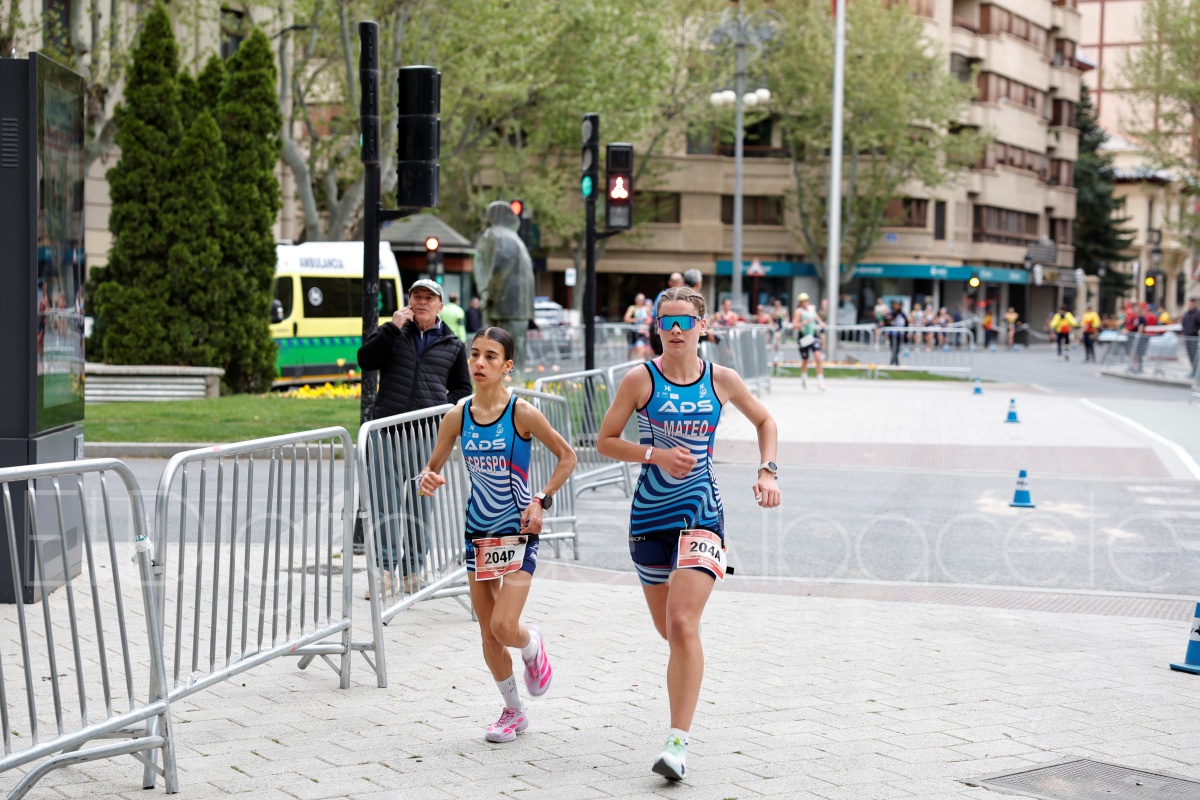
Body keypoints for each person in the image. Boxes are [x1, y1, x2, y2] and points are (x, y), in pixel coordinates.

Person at [595, 286, 781, 782]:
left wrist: (767, 471)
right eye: (667, 321)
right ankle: (686, 684)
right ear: (656, 326)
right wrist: (654, 454)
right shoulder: (640, 379)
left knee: (681, 624)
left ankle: (677, 743)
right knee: (670, 631)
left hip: (702, 514)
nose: (676, 330)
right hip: (648, 519)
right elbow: (605, 441)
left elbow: (765, 420)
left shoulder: (721, 380)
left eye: (685, 321)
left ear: (703, 327)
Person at [418, 327, 577, 744]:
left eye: (490, 356)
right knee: (488, 633)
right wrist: (427, 478)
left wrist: (540, 499)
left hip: (519, 533)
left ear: (507, 366)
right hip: (479, 535)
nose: (479, 363)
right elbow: (431, 468)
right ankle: (513, 711)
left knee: (506, 627)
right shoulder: (458, 416)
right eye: (475, 354)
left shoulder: (521, 413)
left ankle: (532, 644)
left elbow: (567, 456)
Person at [356, 278, 472, 598]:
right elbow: (366, 360)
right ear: (409, 301)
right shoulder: (392, 332)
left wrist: (439, 411)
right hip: (387, 432)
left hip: (426, 436)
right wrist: (391, 329)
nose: (422, 301)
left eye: (429, 298)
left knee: (421, 506)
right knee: (385, 504)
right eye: (416, 296)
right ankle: (384, 573)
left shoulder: (452, 344)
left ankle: (413, 572)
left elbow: (462, 389)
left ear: (439, 305)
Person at [791, 293, 825, 390]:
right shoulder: (798, 311)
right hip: (804, 337)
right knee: (805, 360)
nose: (805, 303)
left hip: (813, 335)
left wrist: (821, 322)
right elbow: (794, 325)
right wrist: (804, 322)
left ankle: (820, 381)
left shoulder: (812, 308)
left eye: (806, 300)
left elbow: (816, 317)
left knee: (818, 357)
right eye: (803, 301)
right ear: (800, 302)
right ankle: (804, 378)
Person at [650, 273, 685, 356]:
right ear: (682, 282)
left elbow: (654, 315)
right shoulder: (686, 296)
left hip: (663, 332)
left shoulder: (662, 295)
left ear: (669, 283)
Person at [1182, 298, 1199, 378]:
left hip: (1193, 338)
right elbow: (1183, 323)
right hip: (1187, 337)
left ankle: (1196, 371)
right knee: (1190, 355)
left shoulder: (1197, 314)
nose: (1189, 306)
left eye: (1190, 304)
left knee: (1194, 355)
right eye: (1188, 304)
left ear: (1193, 304)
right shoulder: (1187, 314)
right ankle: (1194, 370)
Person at [888, 300, 908, 366]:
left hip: (899, 333)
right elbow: (888, 321)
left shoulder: (902, 314)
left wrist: (906, 332)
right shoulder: (892, 313)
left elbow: (906, 322)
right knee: (893, 348)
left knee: (897, 348)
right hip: (892, 333)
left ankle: (894, 361)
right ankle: (894, 362)